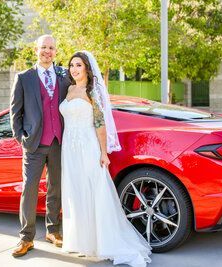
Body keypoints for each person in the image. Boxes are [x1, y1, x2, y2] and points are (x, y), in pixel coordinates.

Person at [59, 51, 152, 266]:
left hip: (88, 146)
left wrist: (103, 152)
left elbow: (100, 124)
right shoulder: (69, 89)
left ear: (87, 69)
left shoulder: (93, 91)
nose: (74, 69)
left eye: (79, 65)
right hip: (69, 149)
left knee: (94, 191)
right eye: (72, 65)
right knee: (76, 191)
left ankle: (105, 242)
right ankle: (83, 242)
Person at [10, 35, 71, 257]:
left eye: (51, 48)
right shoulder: (24, 77)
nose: (47, 51)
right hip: (34, 144)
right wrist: (21, 139)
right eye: (43, 47)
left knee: (56, 186)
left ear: (56, 51)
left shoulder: (65, 76)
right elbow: (15, 112)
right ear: (36, 50)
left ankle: (53, 230)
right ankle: (26, 238)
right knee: (29, 189)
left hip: (58, 142)